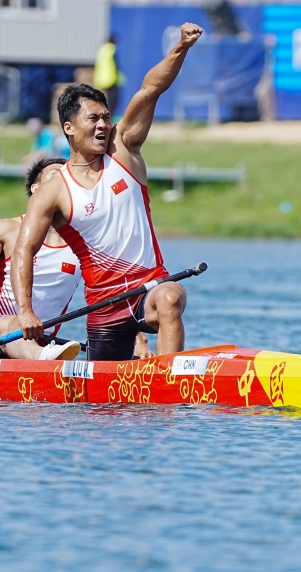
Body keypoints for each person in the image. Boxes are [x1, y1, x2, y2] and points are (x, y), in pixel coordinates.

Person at [11, 22, 204, 361]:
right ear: (69, 127)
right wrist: (25, 311)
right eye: (93, 119)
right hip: (104, 304)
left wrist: (181, 47)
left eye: (105, 117)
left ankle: (169, 387)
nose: (103, 125)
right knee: (101, 410)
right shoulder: (54, 191)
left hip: (150, 288)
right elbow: (24, 249)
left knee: (171, 297)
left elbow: (149, 91)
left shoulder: (123, 149)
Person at [0, 158, 82, 361]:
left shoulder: (81, 242)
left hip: (42, 342)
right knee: (16, 322)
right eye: (55, 178)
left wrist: (138, 339)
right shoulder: (8, 229)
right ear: (36, 188)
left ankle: (43, 358)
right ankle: (44, 362)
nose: (62, 185)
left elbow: (112, 287)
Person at [93, 35, 121, 118]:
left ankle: (103, 115)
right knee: (114, 100)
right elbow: (115, 65)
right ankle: (109, 116)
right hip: (110, 78)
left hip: (101, 78)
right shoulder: (112, 49)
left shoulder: (102, 50)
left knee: (103, 99)